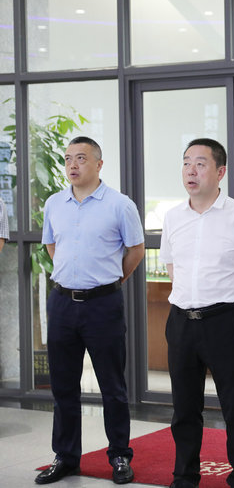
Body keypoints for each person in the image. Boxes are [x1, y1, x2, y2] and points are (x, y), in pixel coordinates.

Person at [36, 136, 144, 485]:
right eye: (68, 158)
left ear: (99, 164)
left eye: (81, 158)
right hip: (62, 303)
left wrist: (108, 281)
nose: (73, 164)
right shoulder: (54, 203)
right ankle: (66, 457)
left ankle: (120, 456)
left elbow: (136, 250)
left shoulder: (120, 205)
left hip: (103, 305)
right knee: (63, 387)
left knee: (112, 386)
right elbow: (52, 245)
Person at [160, 138, 234, 488]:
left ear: (220, 172)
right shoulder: (173, 217)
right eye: (186, 162)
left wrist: (228, 309)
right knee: (184, 408)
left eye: (200, 163)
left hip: (224, 322)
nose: (191, 170)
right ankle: (185, 476)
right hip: (181, 322)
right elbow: (172, 268)